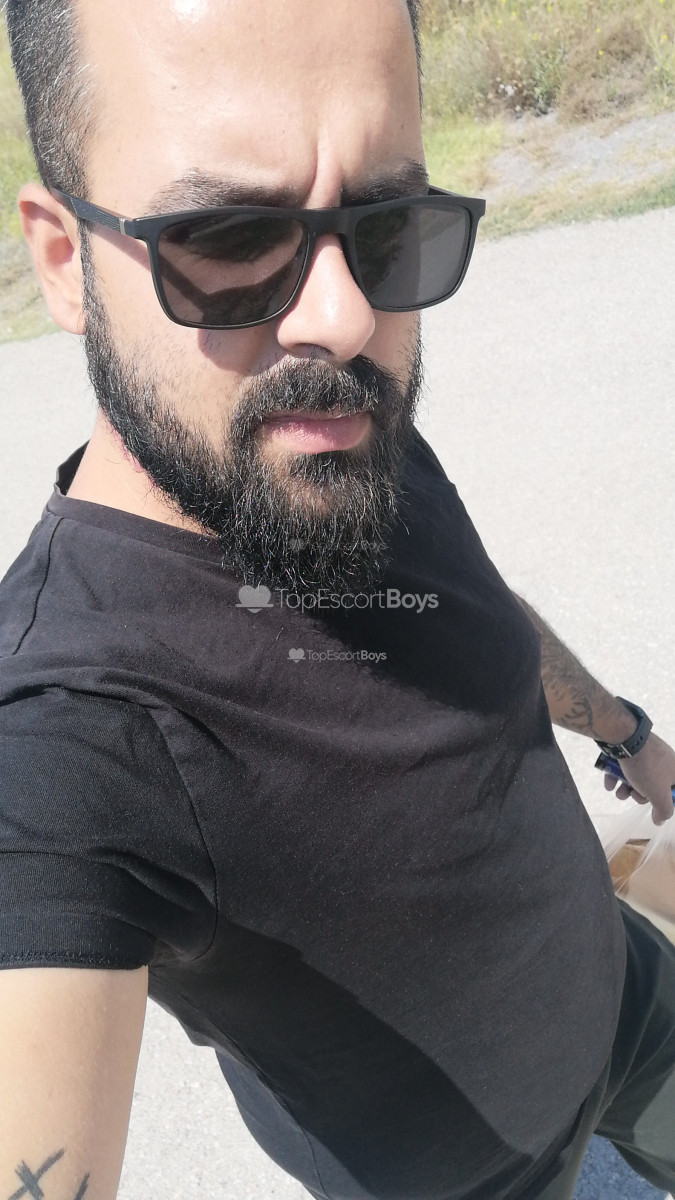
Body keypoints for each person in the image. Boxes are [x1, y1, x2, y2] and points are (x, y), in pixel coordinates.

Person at [0, 1, 674, 1197]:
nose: (345, 318)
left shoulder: (324, 433)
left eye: (387, 226)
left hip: (632, 999)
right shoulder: (66, 735)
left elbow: (468, 607)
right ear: (64, 259)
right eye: (227, 233)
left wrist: (623, 731)